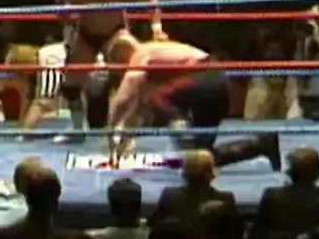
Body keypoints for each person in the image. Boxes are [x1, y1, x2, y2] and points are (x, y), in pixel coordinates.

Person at [104, 31, 281, 171]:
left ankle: (180, 125)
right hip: (215, 86)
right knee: (201, 159)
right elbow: (135, 108)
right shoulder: (154, 59)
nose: (123, 71)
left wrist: (110, 131)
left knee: (155, 99)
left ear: (122, 54)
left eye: (120, 65)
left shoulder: (142, 53)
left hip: (205, 78)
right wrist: (120, 148)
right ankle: (261, 144)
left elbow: (124, 98)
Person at [52, 0, 165, 143]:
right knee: (71, 83)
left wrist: (156, 27)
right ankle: (77, 129)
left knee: (135, 69)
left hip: (115, 32)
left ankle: (127, 125)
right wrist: (65, 19)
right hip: (85, 32)